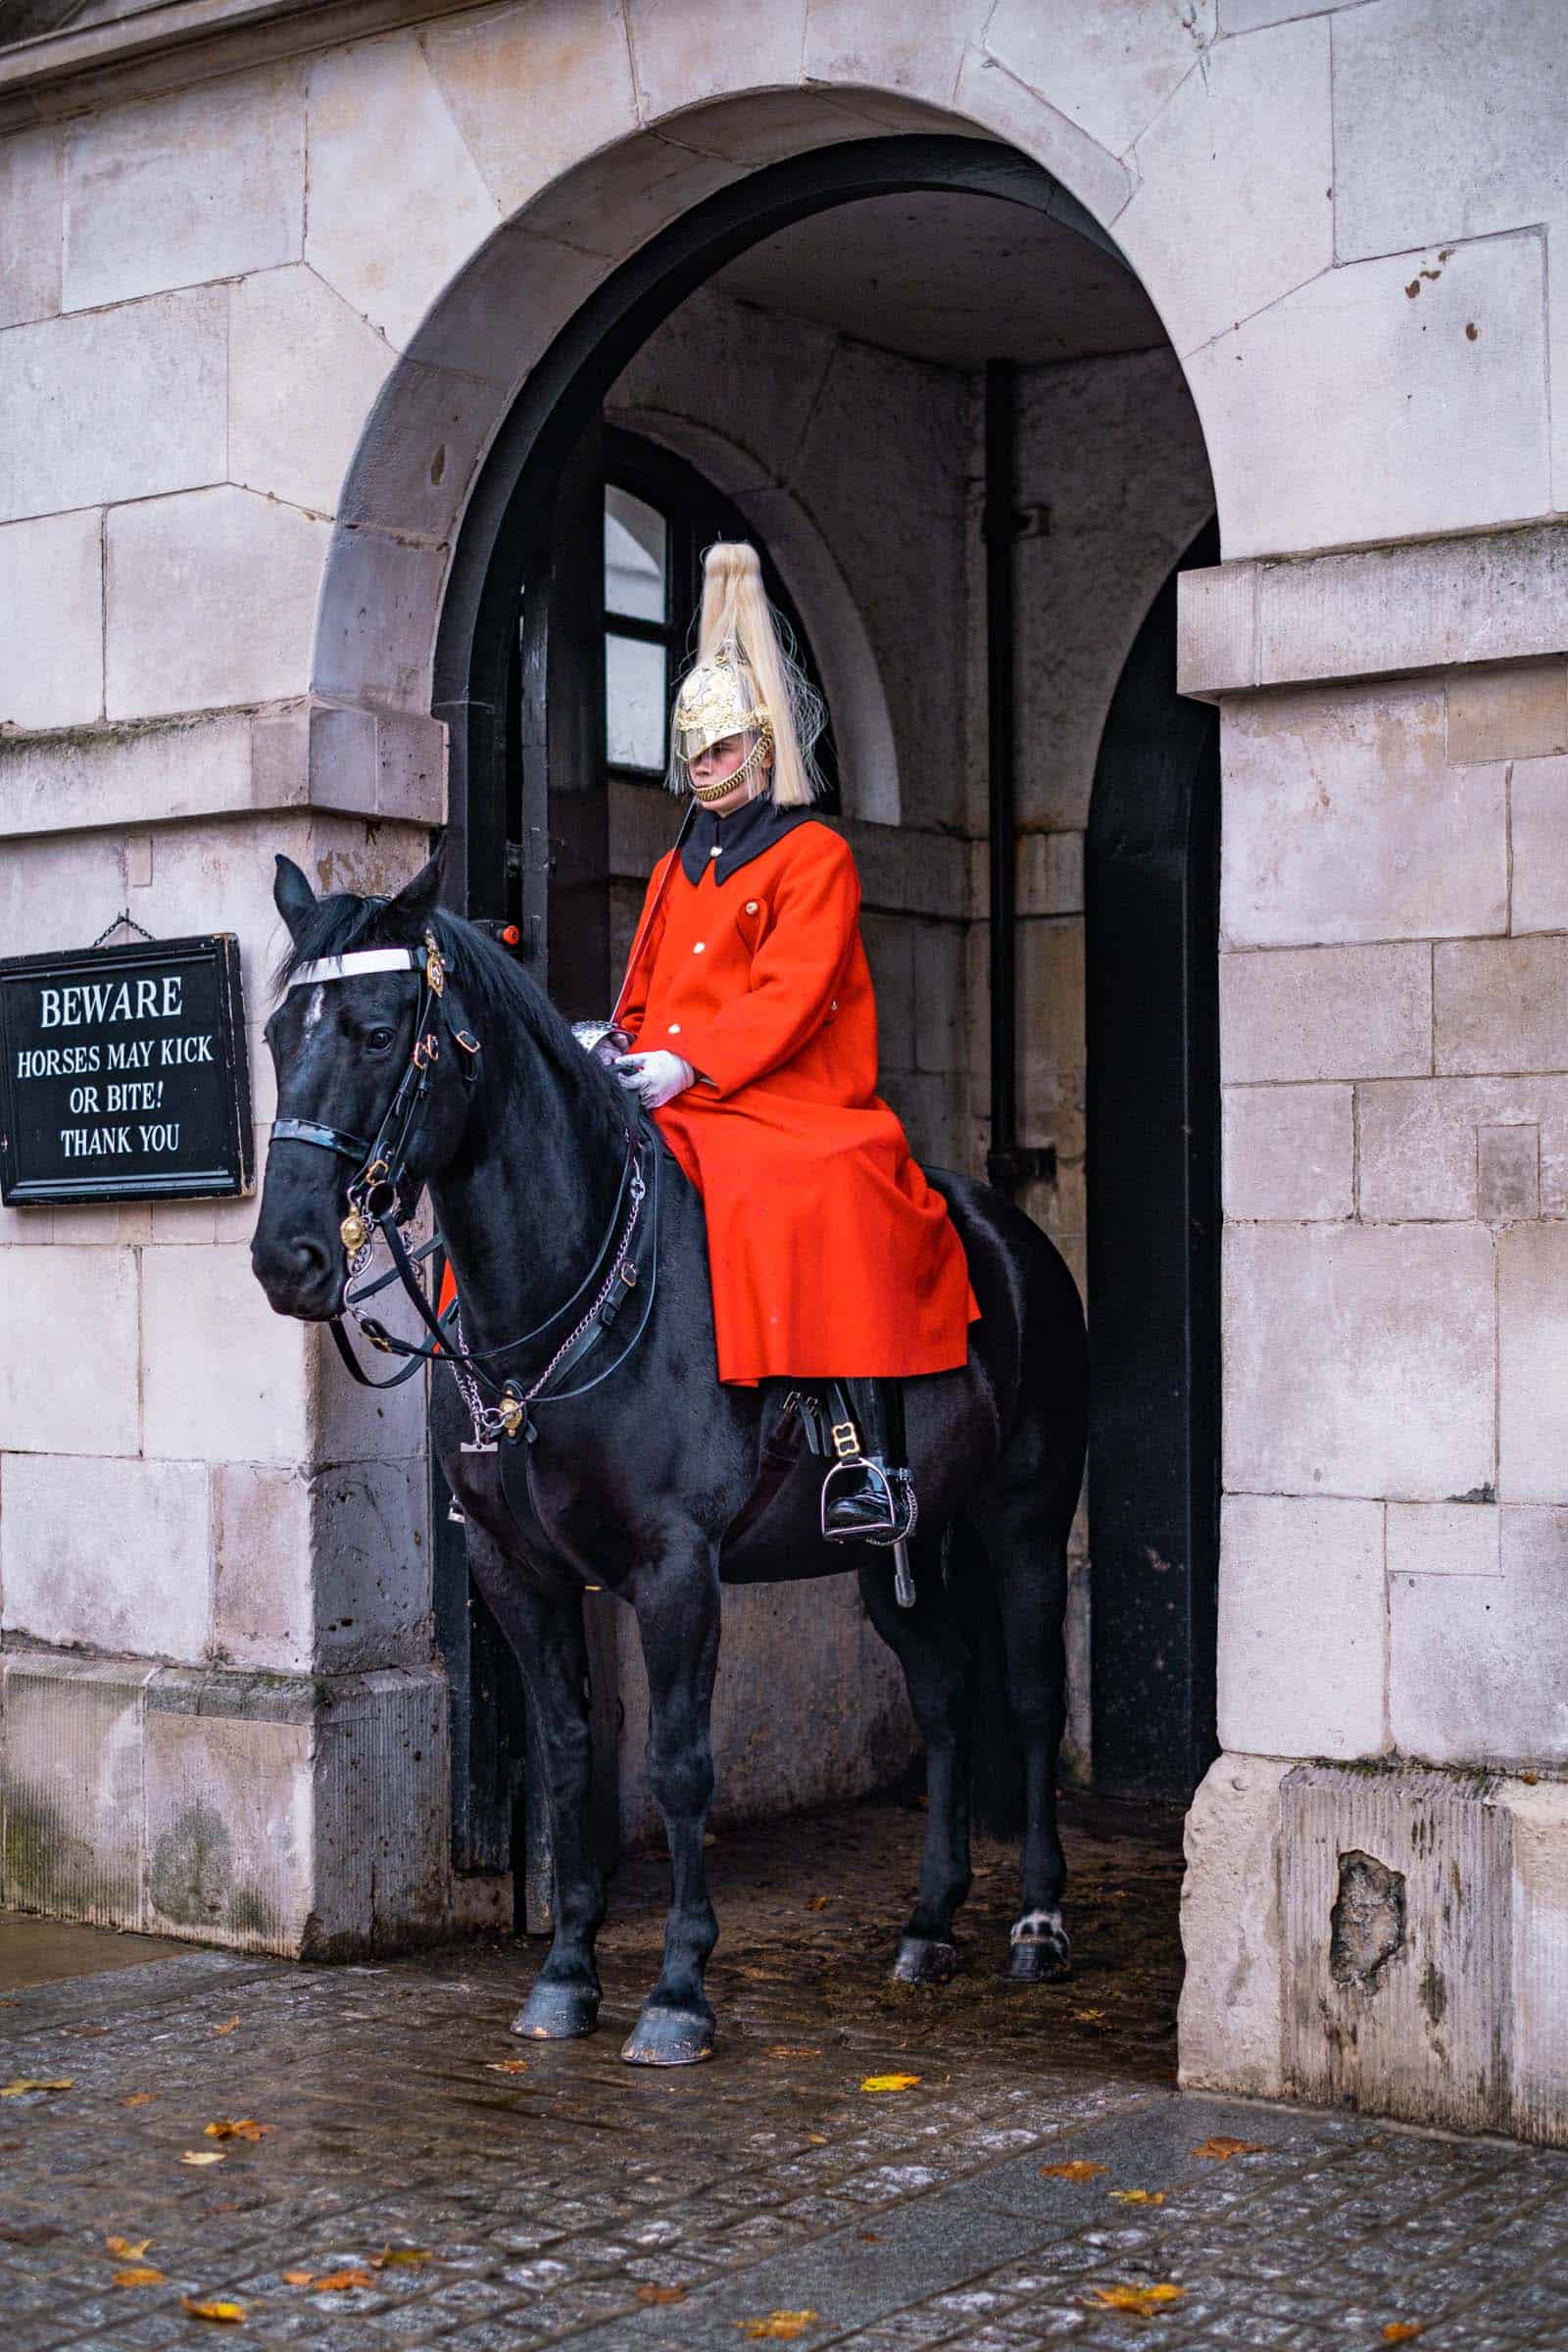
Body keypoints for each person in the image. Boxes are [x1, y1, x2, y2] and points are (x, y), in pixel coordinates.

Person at [607, 542, 978, 1544]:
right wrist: (622, 1051)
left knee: (809, 1180)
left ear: (763, 748)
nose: (704, 768)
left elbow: (790, 991)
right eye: (695, 753)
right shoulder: (672, 866)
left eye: (722, 751)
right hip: (676, 1090)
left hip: (785, 1092)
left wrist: (691, 1061)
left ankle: (861, 1451)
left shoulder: (813, 855)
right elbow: (640, 991)